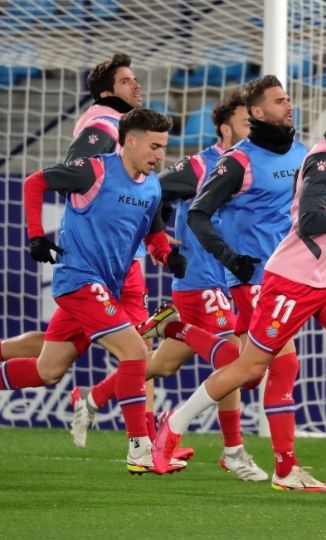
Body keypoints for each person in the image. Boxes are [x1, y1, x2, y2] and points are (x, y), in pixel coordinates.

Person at [151, 86, 326, 490]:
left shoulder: (317, 153)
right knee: (252, 368)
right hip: (286, 279)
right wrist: (222, 256)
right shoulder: (312, 160)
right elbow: (308, 223)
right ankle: (177, 425)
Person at [0, 108, 184, 475]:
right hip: (79, 280)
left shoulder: (152, 186)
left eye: (163, 147)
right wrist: (35, 236)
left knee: (48, 370)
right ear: (129, 141)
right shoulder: (93, 170)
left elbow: (153, 235)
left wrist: (168, 256)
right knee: (135, 351)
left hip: (106, 288)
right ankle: (139, 446)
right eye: (155, 146)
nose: (161, 155)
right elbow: (35, 182)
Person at [0, 54, 163, 444]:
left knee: (57, 359)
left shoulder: (122, 128)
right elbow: (75, 176)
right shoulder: (105, 126)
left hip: (118, 259)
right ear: (106, 91)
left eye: (135, 79)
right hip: (98, 260)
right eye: (126, 81)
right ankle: (143, 442)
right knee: (138, 347)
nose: (136, 86)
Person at [71, 88, 269, 481]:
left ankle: (92, 397)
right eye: (247, 122)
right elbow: (154, 190)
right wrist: (163, 240)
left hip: (227, 279)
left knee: (161, 363)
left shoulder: (251, 164)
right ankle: (232, 449)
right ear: (225, 127)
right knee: (233, 361)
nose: (252, 129)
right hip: (201, 279)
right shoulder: (202, 165)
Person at [149, 74, 317, 489]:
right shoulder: (221, 163)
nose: (288, 105)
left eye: (287, 99)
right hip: (231, 278)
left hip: (281, 276)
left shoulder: (298, 152)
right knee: (276, 362)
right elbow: (168, 200)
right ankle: (273, 464)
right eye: (278, 101)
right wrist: (162, 245)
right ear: (241, 120)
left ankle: (167, 414)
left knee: (243, 369)